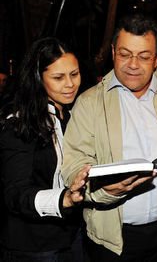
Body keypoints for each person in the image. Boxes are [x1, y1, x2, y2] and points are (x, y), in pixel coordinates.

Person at [61, 13, 157, 262]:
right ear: (113, 52)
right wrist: (103, 190)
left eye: (144, 56)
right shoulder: (88, 102)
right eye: (125, 54)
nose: (133, 64)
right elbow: (73, 164)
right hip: (111, 240)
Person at [0, 37, 89, 262]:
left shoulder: (72, 116)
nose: (70, 84)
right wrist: (64, 199)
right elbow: (15, 193)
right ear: (38, 79)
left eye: (74, 74)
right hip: (34, 244)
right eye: (58, 77)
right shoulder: (19, 123)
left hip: (73, 234)